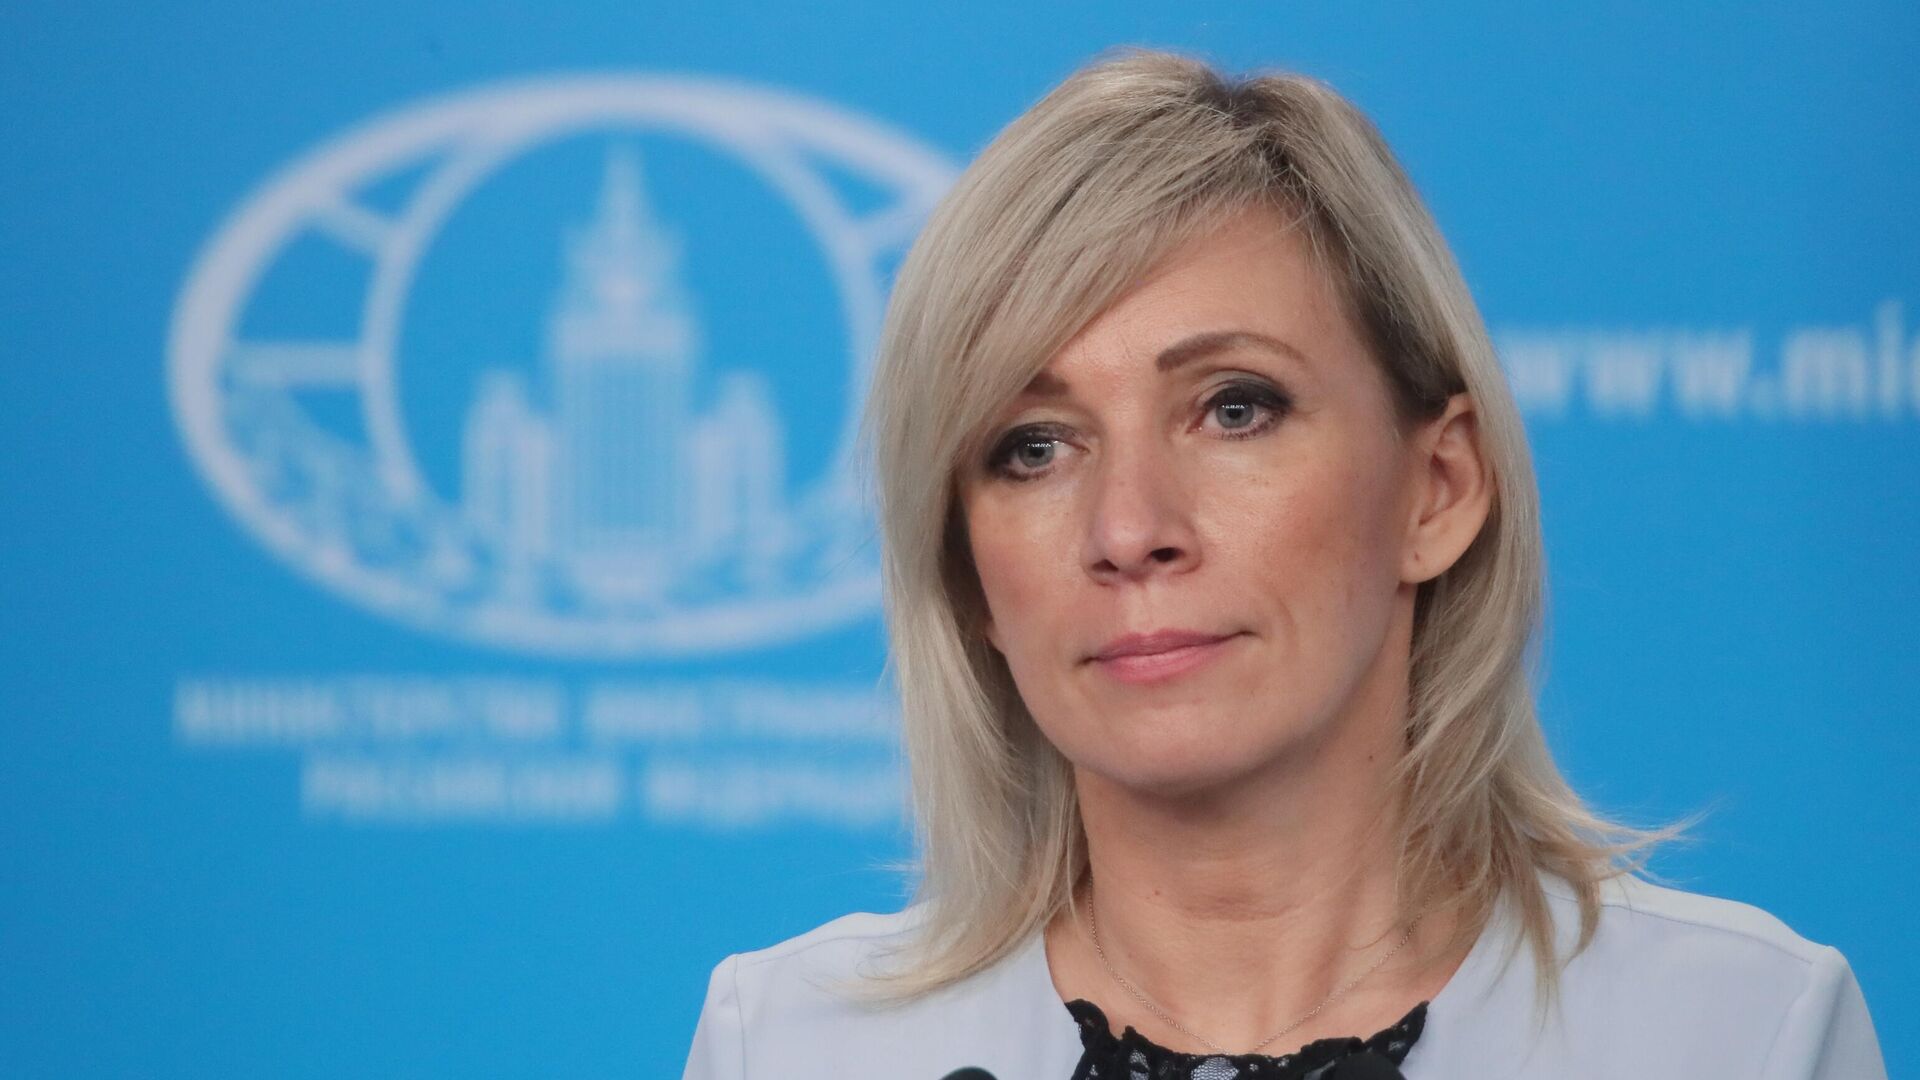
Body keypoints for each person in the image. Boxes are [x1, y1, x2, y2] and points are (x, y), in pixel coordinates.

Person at [680, 47, 1888, 1080]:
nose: (1128, 528)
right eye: (1032, 447)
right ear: (967, 573)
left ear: (1438, 488)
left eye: (1235, 408)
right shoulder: (790, 1044)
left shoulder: (1742, 1033)